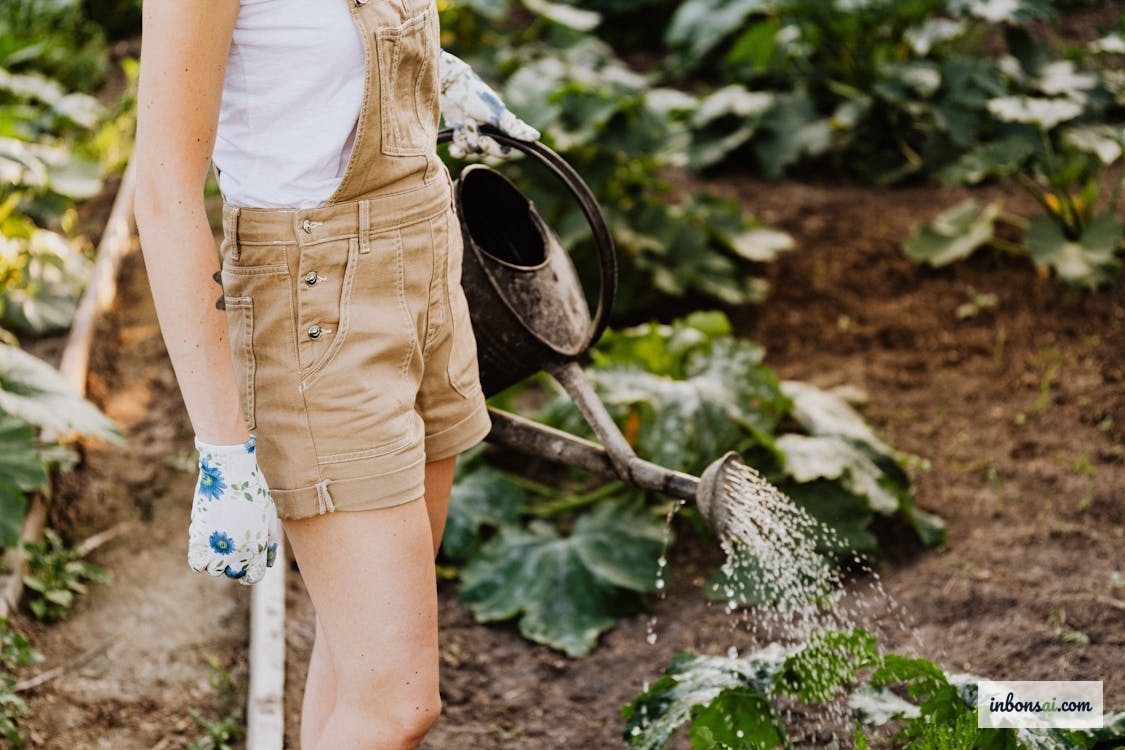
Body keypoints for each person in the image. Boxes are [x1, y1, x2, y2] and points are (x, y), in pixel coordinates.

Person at [132, 1, 539, 747]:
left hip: (423, 263)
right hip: (316, 302)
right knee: (397, 704)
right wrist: (225, 448)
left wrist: (434, 77)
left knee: (360, 670)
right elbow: (161, 194)